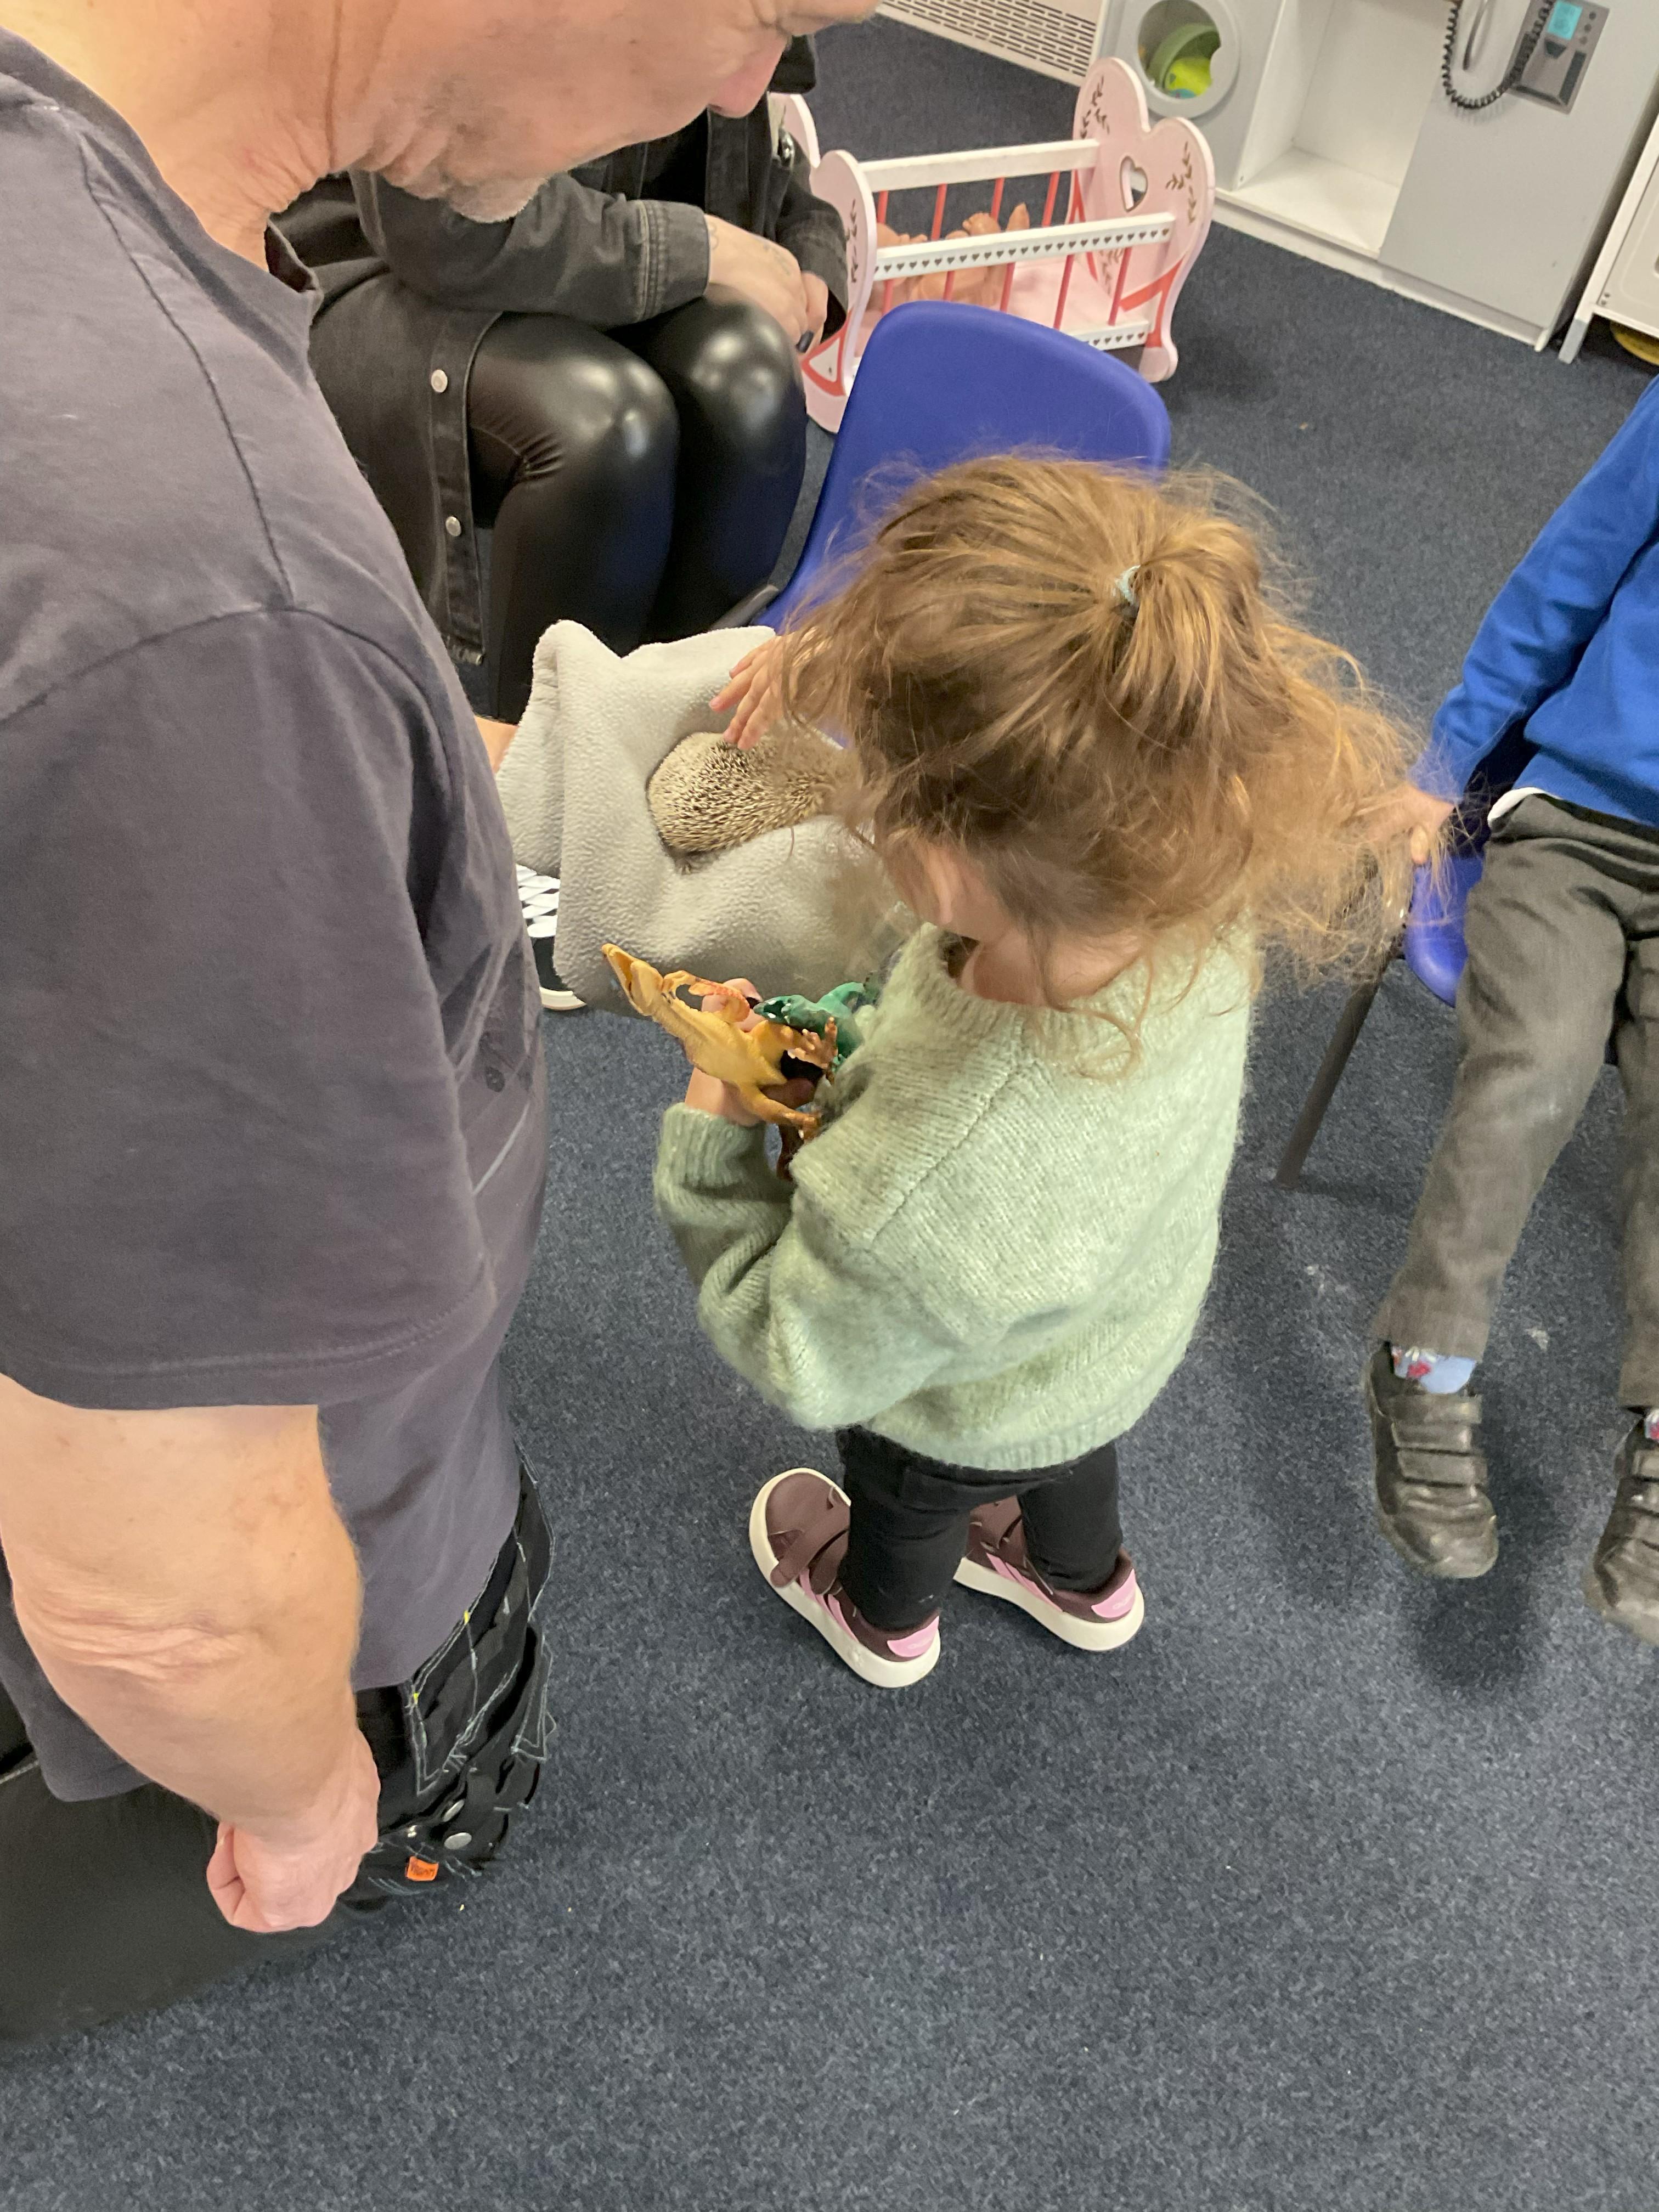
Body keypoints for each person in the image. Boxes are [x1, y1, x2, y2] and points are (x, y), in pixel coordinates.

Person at [0, 0, 874, 2048]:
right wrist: (298, 1791)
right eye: (768, 13)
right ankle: (401, 1809)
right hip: (302, 1541)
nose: (741, 93)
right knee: (386, 1773)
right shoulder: (200, 591)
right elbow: (161, 1597)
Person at [647, 458, 1415, 1688]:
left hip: (957, 1409)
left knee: (910, 1494)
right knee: (1065, 1461)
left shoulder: (924, 1180)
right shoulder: (1189, 876)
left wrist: (716, 1138)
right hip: (1112, 1339)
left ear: (942, 862)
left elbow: (795, 1346)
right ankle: (1079, 1576)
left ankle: (881, 1616)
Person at [283, 40, 848, 721]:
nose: (748, 86)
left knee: (750, 384)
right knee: (603, 428)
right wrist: (697, 250)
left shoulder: (741, 47)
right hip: (377, 261)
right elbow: (444, 232)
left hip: (591, 250)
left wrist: (807, 247)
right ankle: (544, 763)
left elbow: (760, 140)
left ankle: (682, 734)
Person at [1365, 379, 1659, 1642]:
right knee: (1534, 1068)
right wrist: (1443, 766)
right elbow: (1569, 572)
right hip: (1580, 824)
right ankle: (1421, 1365)